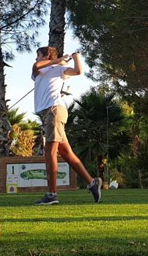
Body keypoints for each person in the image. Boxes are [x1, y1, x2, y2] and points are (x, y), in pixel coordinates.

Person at [32, 46, 102, 205]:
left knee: (50, 152)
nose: (36, 59)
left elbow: (78, 71)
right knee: (66, 153)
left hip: (54, 111)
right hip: (48, 114)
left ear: (46, 55)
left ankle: (51, 194)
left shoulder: (60, 70)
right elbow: (36, 67)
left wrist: (76, 56)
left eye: (38, 55)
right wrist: (59, 59)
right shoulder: (40, 71)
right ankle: (92, 182)